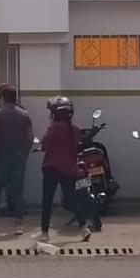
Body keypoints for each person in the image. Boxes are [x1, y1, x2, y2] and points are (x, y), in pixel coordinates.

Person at [37, 96, 93, 244]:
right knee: (72, 199)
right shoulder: (74, 129)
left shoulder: (55, 127)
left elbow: (44, 142)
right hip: (69, 169)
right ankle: (84, 228)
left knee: (47, 201)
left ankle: (44, 233)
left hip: (52, 168)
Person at [0, 83, 32, 235]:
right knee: (18, 190)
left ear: (2, 97)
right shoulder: (24, 114)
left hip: (0, 157)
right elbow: (30, 137)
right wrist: (25, 153)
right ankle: (19, 224)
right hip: (19, 158)